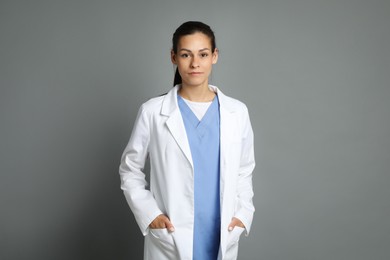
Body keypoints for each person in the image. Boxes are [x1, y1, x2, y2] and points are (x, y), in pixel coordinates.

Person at [119, 21, 255, 260]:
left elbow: (244, 170)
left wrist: (243, 215)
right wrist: (150, 214)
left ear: (214, 56)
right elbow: (130, 169)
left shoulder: (237, 112)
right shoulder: (152, 111)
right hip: (171, 238)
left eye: (203, 54)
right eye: (185, 55)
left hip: (221, 233)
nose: (195, 63)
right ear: (173, 57)